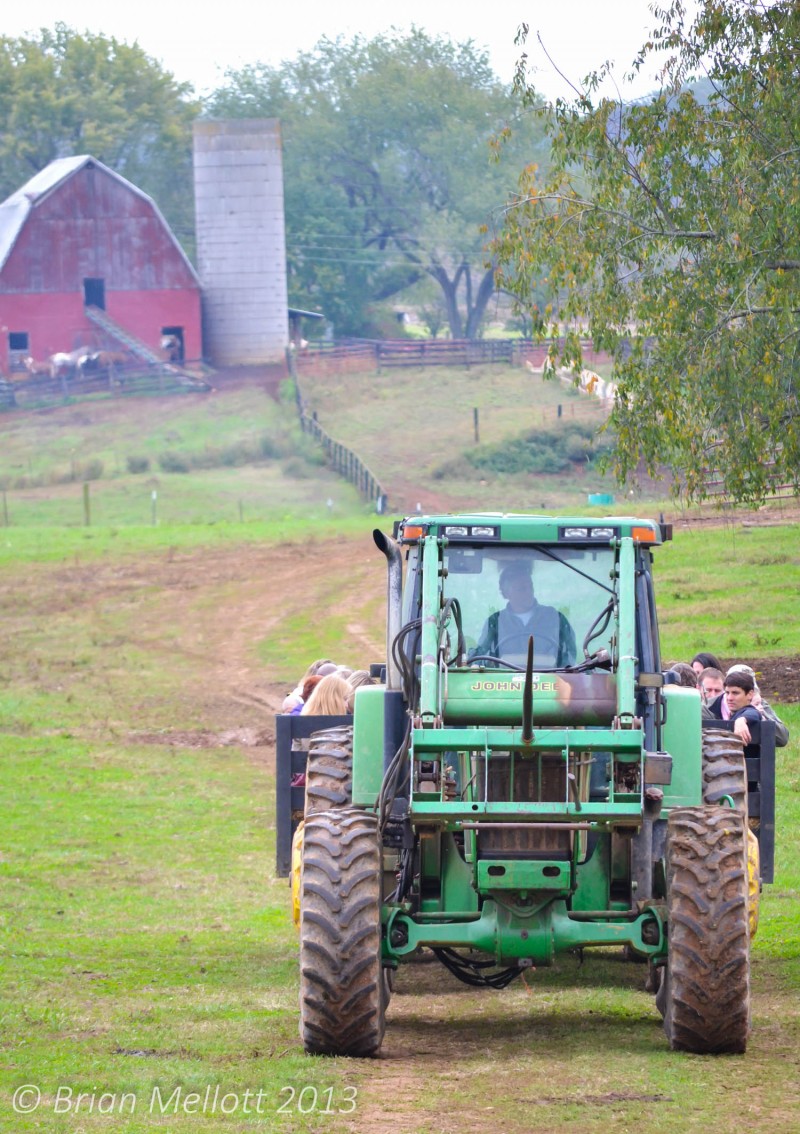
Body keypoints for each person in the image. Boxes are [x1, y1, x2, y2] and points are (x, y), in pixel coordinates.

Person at [472, 561, 576, 668]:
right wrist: (474, 664)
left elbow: (569, 656)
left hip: (551, 681)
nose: (529, 592)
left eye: (530, 587)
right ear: (506, 593)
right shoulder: (495, 621)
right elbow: (481, 655)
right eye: (521, 589)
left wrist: (565, 673)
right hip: (504, 682)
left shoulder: (556, 618)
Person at [707, 671, 762, 746]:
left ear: (750, 694)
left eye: (735, 693)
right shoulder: (713, 709)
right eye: (727, 693)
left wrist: (741, 720)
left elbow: (754, 713)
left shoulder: (748, 711)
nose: (729, 698)